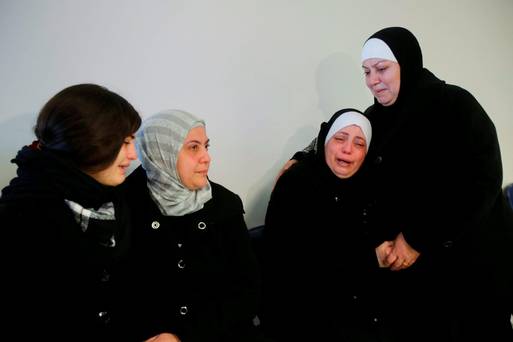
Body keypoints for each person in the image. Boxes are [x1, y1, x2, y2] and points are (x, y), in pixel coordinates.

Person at [279, 27, 513, 341]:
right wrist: (303, 157)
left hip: (470, 264)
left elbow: (481, 183)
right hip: (417, 273)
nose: (373, 80)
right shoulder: (377, 117)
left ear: (408, 63)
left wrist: (418, 238)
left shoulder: (454, 105)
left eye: (382, 69)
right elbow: (341, 137)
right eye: (366, 71)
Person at [0, 83, 143, 340]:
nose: (133, 154)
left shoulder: (115, 202)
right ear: (88, 141)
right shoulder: (18, 217)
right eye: (125, 142)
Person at [123, 109, 266, 342]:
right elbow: (119, 292)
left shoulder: (225, 204)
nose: (206, 157)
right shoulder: (124, 207)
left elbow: (247, 290)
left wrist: (187, 335)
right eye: (193, 147)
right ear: (161, 153)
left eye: (206, 146)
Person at [260, 109, 391, 341]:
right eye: (339, 139)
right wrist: (371, 260)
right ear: (325, 141)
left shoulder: (370, 189)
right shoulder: (296, 183)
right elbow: (297, 267)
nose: (347, 149)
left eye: (359, 144)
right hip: (300, 317)